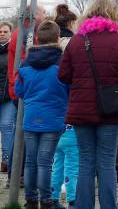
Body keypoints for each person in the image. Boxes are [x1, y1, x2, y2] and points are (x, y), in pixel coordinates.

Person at [58, 0, 118, 209]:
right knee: (106, 163)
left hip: (81, 110)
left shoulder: (77, 40)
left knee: (85, 162)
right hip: (111, 110)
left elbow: (64, 75)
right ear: (114, 14)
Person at [15, 21, 68, 209]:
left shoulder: (26, 62)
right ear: (57, 37)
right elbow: (70, 88)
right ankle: (46, 200)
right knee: (45, 162)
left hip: (30, 117)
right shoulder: (62, 62)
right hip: (54, 118)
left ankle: (30, 200)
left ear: (38, 38)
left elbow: (19, 91)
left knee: (30, 161)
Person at [50, 123, 78, 207]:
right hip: (73, 135)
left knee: (57, 168)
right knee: (72, 169)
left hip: (59, 133)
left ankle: (53, 199)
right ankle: (73, 200)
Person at [0, 20, 14, 173]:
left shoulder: (13, 50)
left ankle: (7, 160)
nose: (2, 34)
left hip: (7, 97)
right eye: (0, 32)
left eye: (5, 31)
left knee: (6, 126)